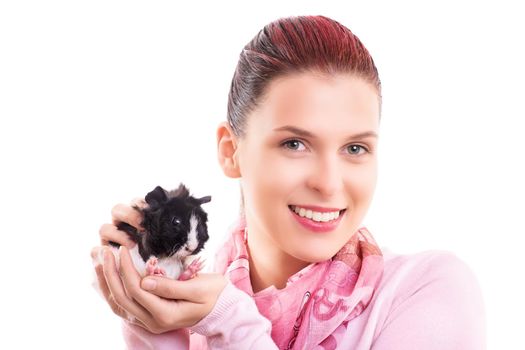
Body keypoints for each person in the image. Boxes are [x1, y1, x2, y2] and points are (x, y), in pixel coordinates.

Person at [91, 15, 486, 349]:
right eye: (295, 144)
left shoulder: (430, 290)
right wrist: (150, 316)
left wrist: (230, 321)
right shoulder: (199, 318)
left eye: (355, 149)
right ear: (231, 152)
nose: (329, 184)